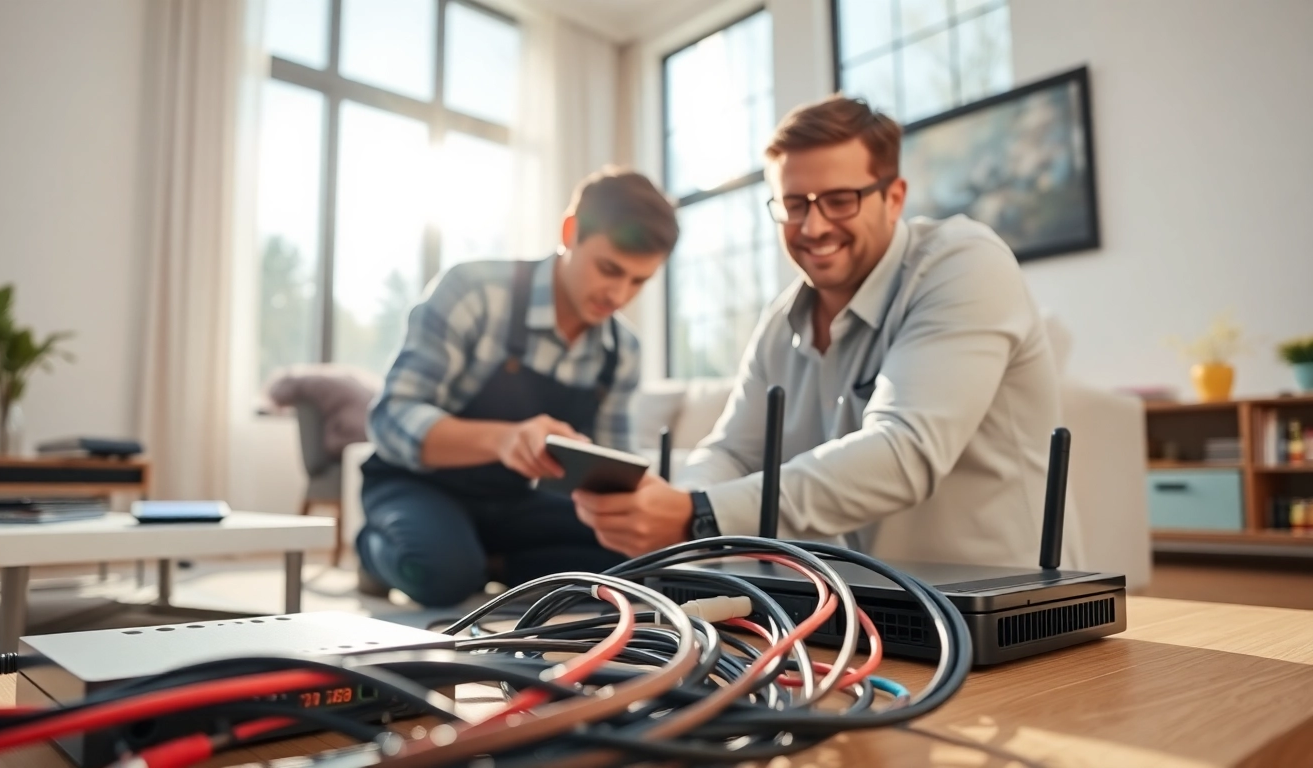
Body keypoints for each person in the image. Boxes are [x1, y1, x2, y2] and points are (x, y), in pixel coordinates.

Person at [572, 96, 1084, 570]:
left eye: (840, 200)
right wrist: (675, 502)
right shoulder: (781, 322)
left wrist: (700, 514)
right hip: (861, 608)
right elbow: (732, 452)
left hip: (999, 603)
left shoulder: (965, 263)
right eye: (794, 204)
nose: (813, 227)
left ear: (894, 197)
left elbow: (904, 450)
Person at [357, 167, 678, 607]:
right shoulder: (474, 290)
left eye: (638, 281)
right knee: (439, 572)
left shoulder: (622, 351)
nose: (618, 295)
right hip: (419, 483)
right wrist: (504, 439)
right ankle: (376, 551)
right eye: (609, 269)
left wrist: (643, 509)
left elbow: (610, 472)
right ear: (570, 232)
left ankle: (491, 565)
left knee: (631, 571)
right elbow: (390, 416)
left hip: (517, 505)